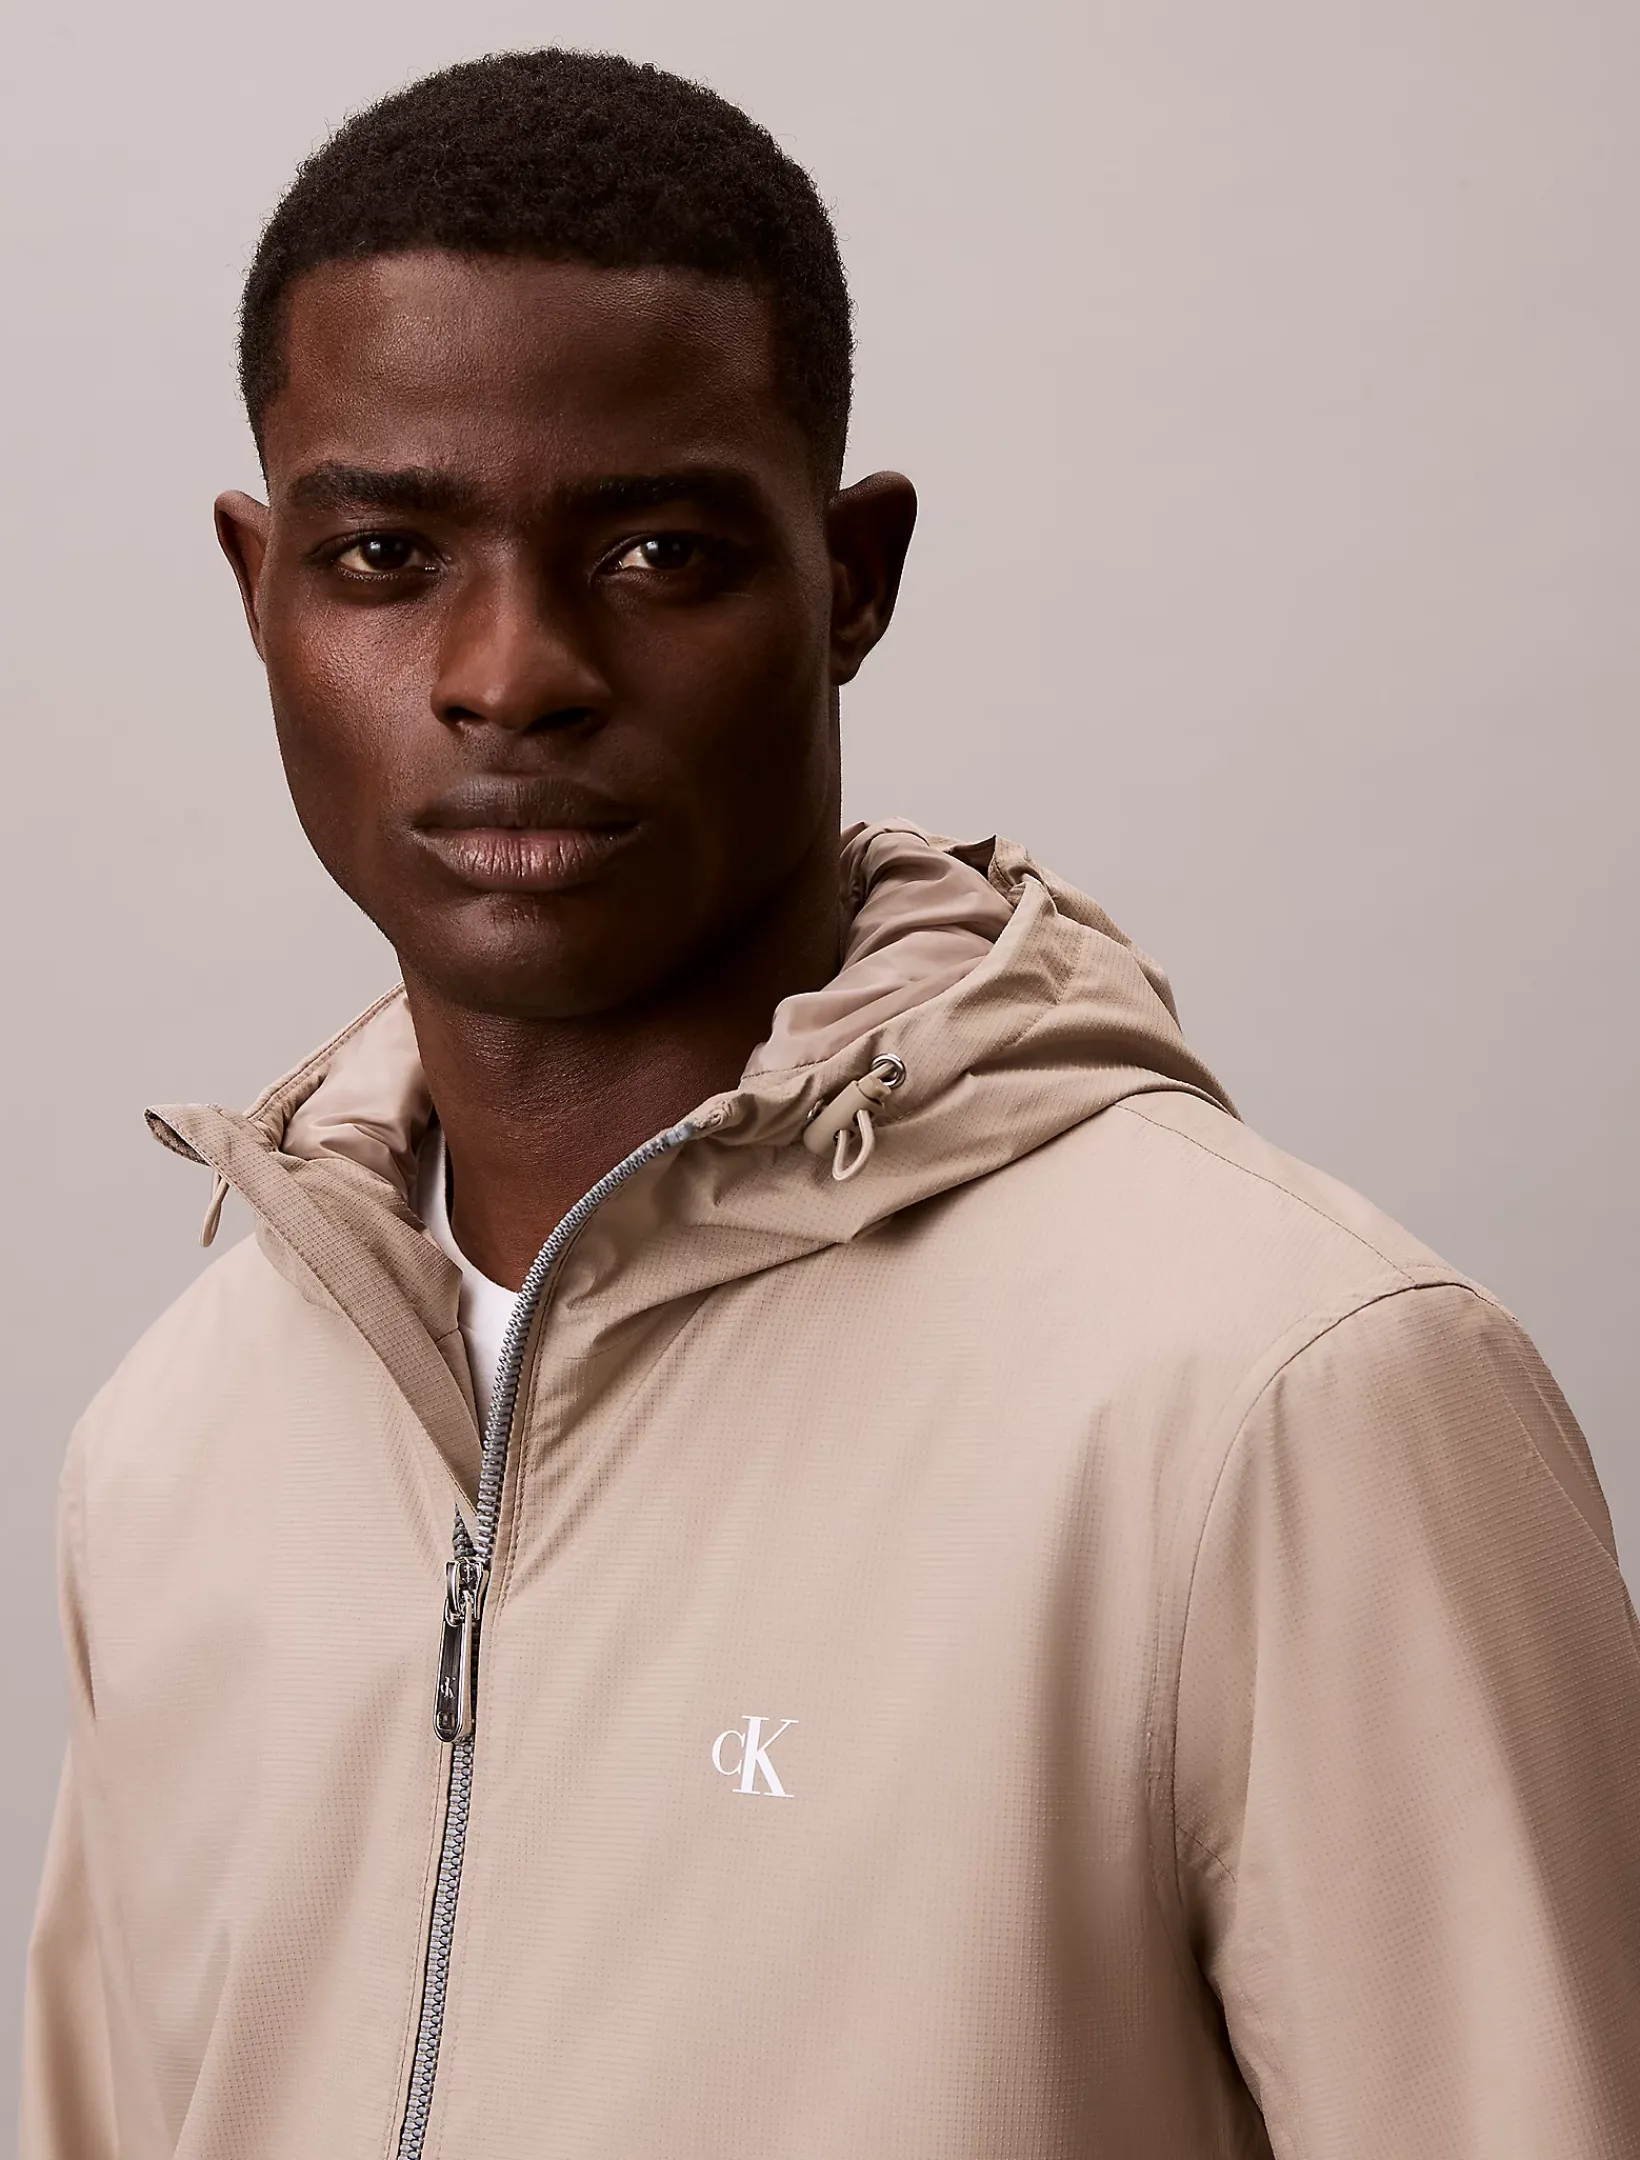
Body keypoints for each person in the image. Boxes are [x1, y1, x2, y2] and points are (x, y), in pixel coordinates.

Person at [19, 48, 1640, 2160]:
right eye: (389, 553)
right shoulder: (176, 1453)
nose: (510, 673)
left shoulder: (1283, 1397)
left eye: (658, 551)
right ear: (260, 588)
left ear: (850, 575)